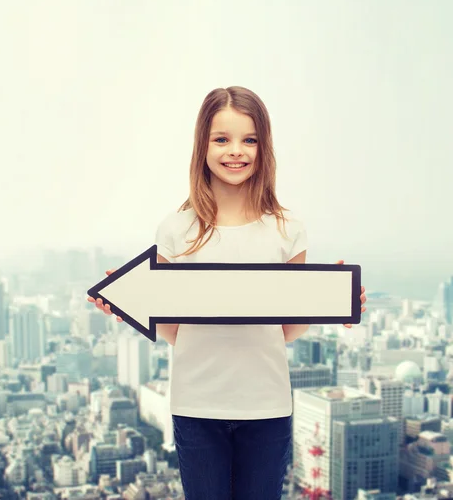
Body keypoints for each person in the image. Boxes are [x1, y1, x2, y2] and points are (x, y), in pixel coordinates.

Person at [88, 86, 367, 499]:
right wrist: (129, 306)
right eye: (222, 139)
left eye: (249, 139)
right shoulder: (175, 229)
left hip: (267, 405)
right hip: (196, 405)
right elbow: (175, 331)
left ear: (263, 146)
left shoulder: (287, 229)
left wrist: (331, 302)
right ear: (202, 145)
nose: (235, 151)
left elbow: (287, 329)